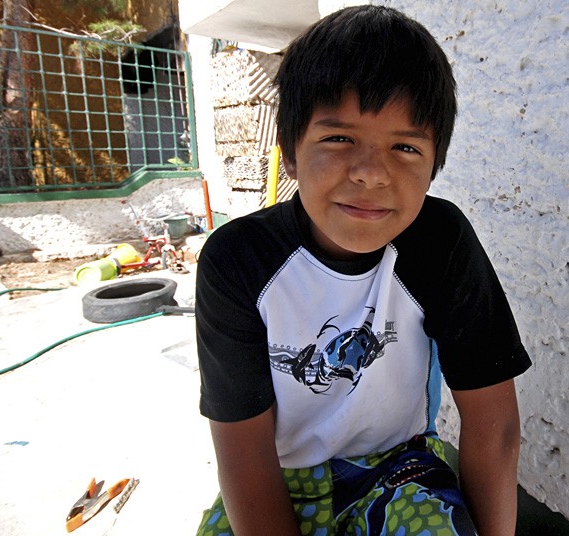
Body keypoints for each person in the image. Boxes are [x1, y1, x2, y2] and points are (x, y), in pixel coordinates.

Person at [195, 5, 532, 536]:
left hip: (400, 470)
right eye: (338, 139)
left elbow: (494, 424)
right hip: (277, 481)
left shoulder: (440, 242)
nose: (371, 173)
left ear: (435, 164)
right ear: (289, 153)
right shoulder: (237, 261)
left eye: (405, 147)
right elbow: (244, 455)